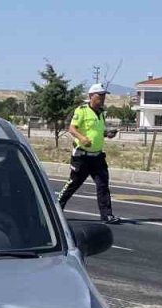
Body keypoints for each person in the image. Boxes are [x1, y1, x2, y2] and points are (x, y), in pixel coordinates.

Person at [57, 84, 120, 224]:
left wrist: (107, 134)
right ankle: (55, 208)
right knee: (73, 183)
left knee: (103, 185)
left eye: (104, 96)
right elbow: (72, 129)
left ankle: (107, 215)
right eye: (100, 95)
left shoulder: (102, 112)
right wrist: (82, 138)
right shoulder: (82, 110)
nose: (103, 98)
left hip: (97, 156)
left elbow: (98, 131)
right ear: (91, 96)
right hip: (82, 156)